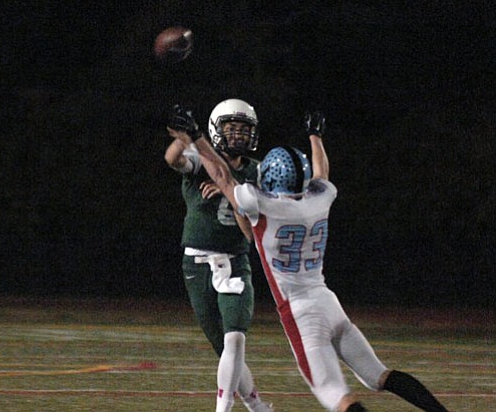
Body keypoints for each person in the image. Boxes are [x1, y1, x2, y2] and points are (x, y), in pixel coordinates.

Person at [167, 108, 450, 412]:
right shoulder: (319, 198)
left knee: (337, 396)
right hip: (329, 303)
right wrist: (316, 136)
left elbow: (221, 174)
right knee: (378, 375)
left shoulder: (260, 205)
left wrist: (196, 136)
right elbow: (322, 173)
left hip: (301, 315)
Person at [164, 99, 274, 412]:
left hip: (235, 262)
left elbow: (250, 233)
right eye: (231, 128)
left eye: (244, 129)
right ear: (216, 130)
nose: (238, 135)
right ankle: (257, 407)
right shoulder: (201, 160)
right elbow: (173, 158)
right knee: (222, 346)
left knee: (235, 339)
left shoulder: (258, 171)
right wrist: (183, 134)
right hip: (196, 264)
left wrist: (230, 187)